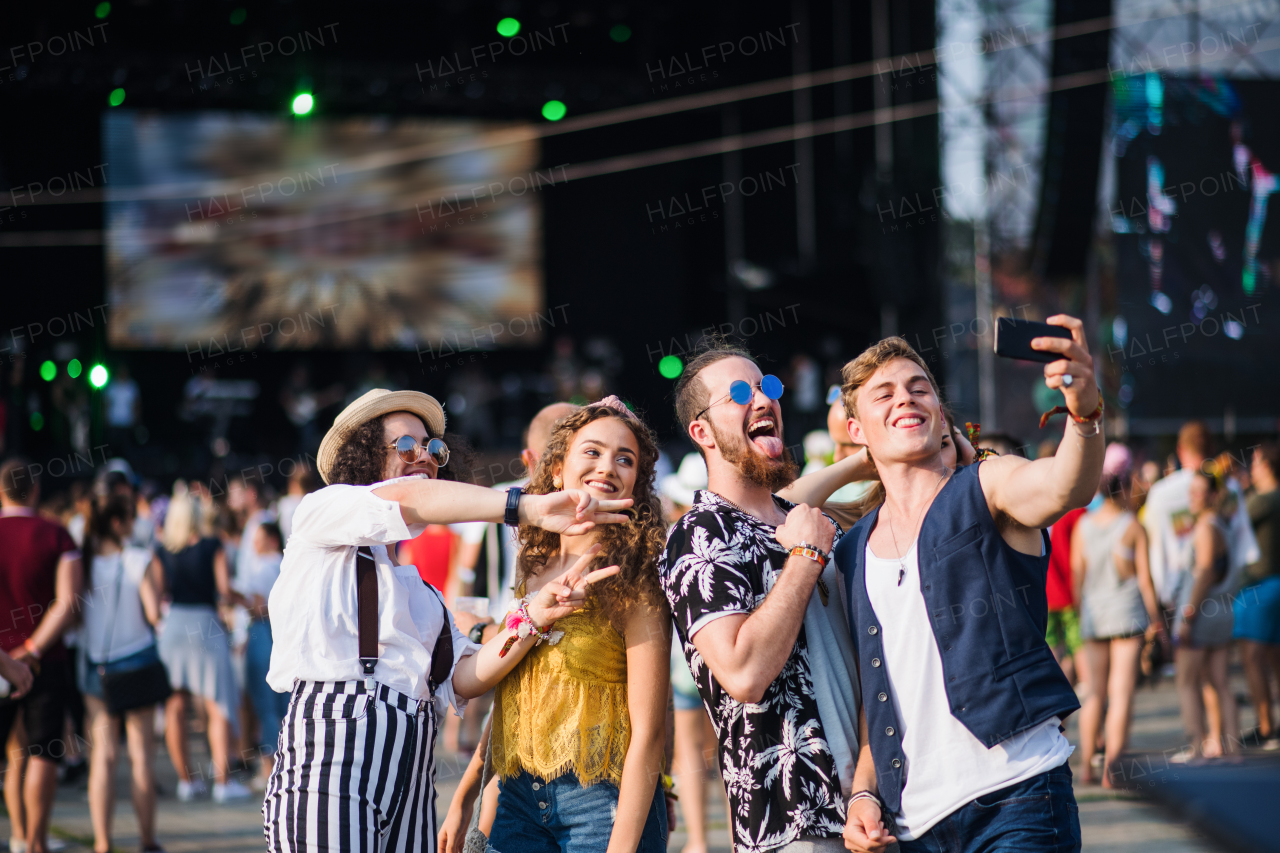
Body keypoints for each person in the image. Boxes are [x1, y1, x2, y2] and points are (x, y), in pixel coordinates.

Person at [262, 388, 632, 853]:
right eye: (405, 446)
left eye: (433, 449)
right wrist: (524, 505)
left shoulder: (422, 593)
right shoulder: (323, 512)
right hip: (334, 761)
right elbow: (407, 498)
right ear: (361, 456)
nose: (425, 457)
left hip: (413, 777)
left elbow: (464, 678)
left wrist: (535, 613)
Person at [833, 317, 1100, 853]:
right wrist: (862, 793)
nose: (905, 399)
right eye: (882, 394)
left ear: (940, 412)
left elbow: (1064, 484)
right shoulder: (851, 549)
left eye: (919, 389)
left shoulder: (987, 484)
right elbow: (878, 693)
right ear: (856, 429)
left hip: (1018, 798)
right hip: (914, 827)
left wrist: (1084, 411)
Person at [661, 345, 867, 853]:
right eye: (736, 393)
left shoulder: (802, 518)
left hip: (870, 808)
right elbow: (744, 674)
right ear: (702, 433)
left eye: (766, 386)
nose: (761, 398)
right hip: (794, 821)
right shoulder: (698, 534)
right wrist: (803, 558)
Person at [486, 398, 671, 853]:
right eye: (591, 451)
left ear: (636, 484)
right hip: (519, 799)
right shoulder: (531, 564)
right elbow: (506, 691)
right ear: (555, 471)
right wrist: (480, 796)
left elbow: (649, 733)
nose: (607, 466)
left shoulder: (637, 579)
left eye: (624, 459)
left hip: (601, 804)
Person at [0, 458, 82, 853]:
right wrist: (31, 649)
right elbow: (67, 603)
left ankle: (17, 835)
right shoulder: (56, 535)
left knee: (13, 754)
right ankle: (36, 842)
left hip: (0, 660)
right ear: (34, 489)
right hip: (45, 661)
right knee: (42, 754)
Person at [1072, 443, 1165, 785]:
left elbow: (1077, 576)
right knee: (1122, 691)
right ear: (1124, 487)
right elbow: (1145, 580)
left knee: (1094, 692)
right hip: (1127, 616)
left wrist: (1084, 612)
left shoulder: (1083, 526)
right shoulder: (1132, 526)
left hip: (1094, 616)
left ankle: (1085, 768)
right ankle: (1112, 769)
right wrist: (1158, 621)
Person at [77, 495, 165, 853]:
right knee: (141, 757)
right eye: (130, 517)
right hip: (139, 662)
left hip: (97, 667)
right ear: (117, 523)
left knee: (103, 756)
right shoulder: (138, 560)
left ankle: (102, 842)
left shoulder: (80, 563)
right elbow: (154, 613)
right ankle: (147, 840)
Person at [154, 488, 250, 803]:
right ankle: (223, 783)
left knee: (175, 705)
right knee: (217, 703)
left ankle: (186, 781)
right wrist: (248, 603)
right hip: (205, 624)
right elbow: (224, 589)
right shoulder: (212, 545)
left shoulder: (162, 550)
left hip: (174, 626)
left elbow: (157, 596)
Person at [1174, 470, 1242, 762]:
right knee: (1220, 681)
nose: (1193, 497)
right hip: (1222, 611)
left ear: (1213, 495)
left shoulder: (1205, 527)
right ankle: (1233, 750)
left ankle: (1197, 748)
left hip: (1202, 613)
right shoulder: (1224, 524)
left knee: (1186, 682)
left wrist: (1188, 615)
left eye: (1199, 491)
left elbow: (1204, 572)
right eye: (1191, 491)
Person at [235, 520, 289, 788]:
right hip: (283, 636)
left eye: (258, 538)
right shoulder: (288, 563)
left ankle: (269, 770)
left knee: (265, 706)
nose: (254, 544)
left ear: (270, 539)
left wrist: (234, 597)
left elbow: (258, 607)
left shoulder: (262, 566)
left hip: (262, 634)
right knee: (283, 706)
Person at [1237, 442, 1280, 749]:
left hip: (1260, 587)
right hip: (1272, 586)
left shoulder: (1264, 500)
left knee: (1252, 657)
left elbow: (1234, 523)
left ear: (1266, 466)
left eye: (1254, 463)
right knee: (1274, 658)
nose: (1251, 468)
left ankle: (1266, 727)